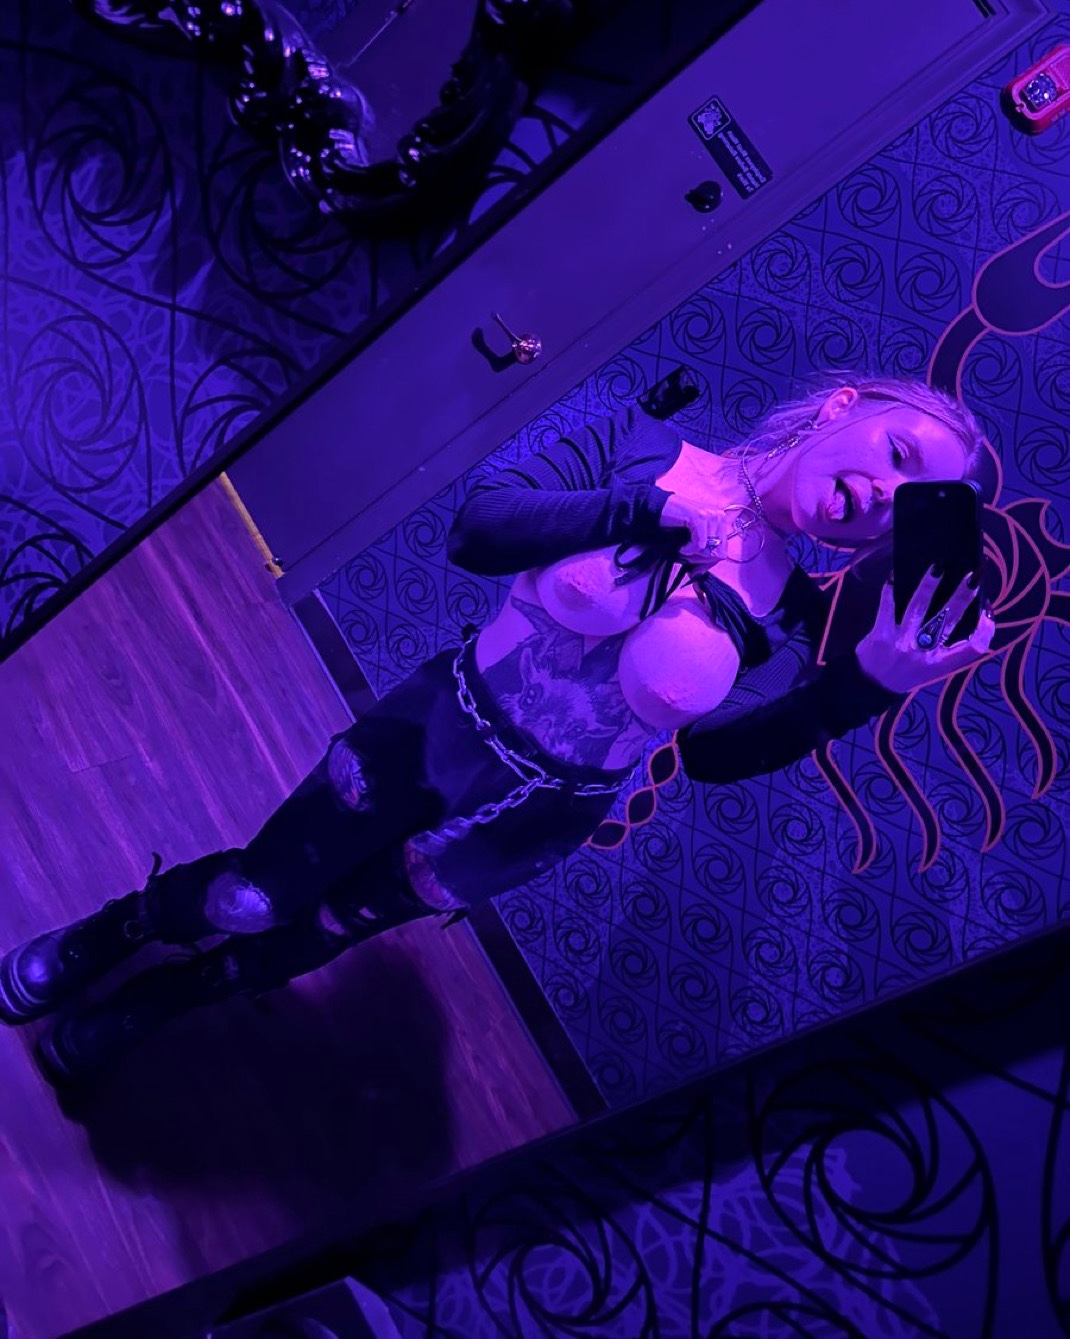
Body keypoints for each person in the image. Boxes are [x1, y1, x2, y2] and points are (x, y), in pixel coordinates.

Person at [0, 374, 995, 1085]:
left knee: (325, 930)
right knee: (257, 894)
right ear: (840, 408)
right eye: (895, 455)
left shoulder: (789, 619)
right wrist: (642, 513)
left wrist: (861, 686)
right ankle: (125, 925)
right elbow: (477, 528)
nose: (882, 496)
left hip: (534, 821)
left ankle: (165, 1002)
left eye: (905, 507)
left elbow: (710, 755)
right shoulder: (643, 440)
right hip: (433, 731)